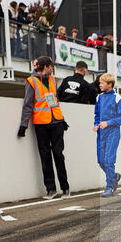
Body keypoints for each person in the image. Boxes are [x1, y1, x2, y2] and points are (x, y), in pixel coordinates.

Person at [18, 56, 70, 200]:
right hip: (41, 124)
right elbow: (27, 104)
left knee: (59, 155)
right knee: (45, 157)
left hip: (56, 123)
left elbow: (55, 102)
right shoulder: (31, 81)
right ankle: (51, 190)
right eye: (51, 66)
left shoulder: (52, 80)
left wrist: (62, 119)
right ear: (45, 66)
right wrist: (24, 125)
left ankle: (65, 188)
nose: (52, 69)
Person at [93, 73, 121, 196]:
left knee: (108, 160)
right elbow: (97, 115)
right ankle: (114, 176)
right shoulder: (99, 98)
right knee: (101, 161)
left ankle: (109, 186)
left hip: (113, 132)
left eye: (102, 83)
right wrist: (96, 124)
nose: (100, 84)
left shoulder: (117, 98)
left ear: (109, 84)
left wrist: (108, 123)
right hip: (101, 133)